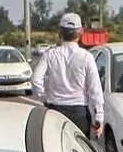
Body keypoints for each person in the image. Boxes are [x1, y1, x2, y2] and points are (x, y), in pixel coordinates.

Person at [31, 12, 104, 140]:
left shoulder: (50, 55)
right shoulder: (87, 57)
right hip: (79, 113)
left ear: (60, 32)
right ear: (80, 32)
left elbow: (36, 80)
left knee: (55, 149)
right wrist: (98, 118)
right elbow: (95, 90)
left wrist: (44, 98)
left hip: (55, 110)